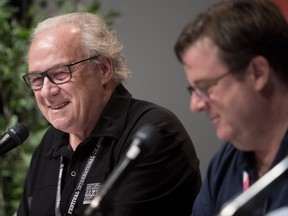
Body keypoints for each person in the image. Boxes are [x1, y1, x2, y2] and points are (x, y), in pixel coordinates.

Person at [17, 12, 202, 216]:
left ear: (103, 69)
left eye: (60, 73)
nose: (46, 91)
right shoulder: (49, 144)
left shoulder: (153, 132)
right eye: (36, 79)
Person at [174, 0, 288, 215]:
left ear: (257, 73)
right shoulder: (224, 164)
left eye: (205, 87)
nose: (195, 105)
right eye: (194, 91)